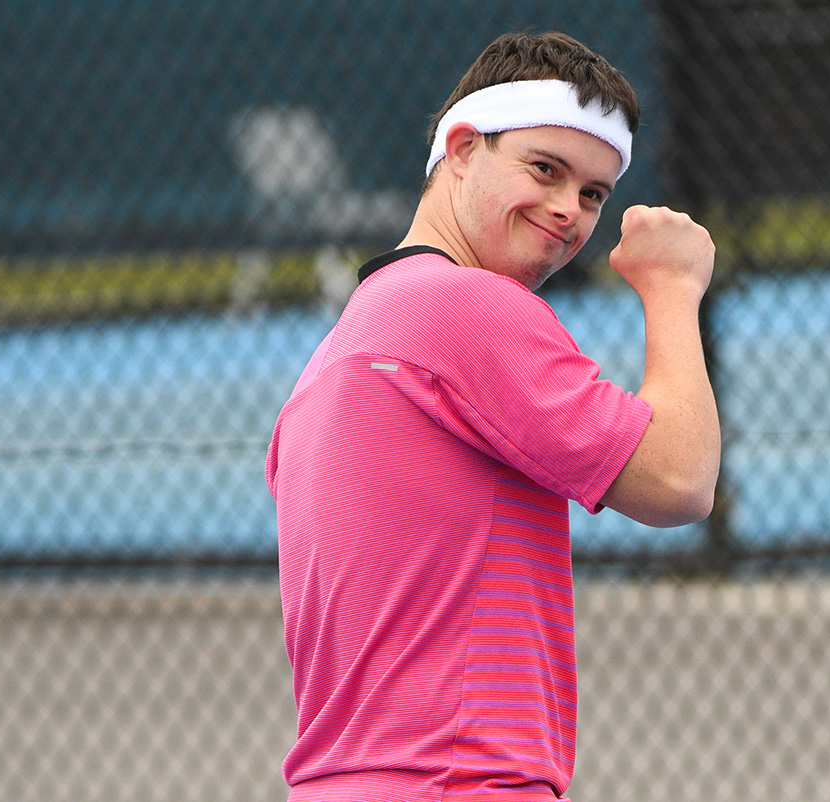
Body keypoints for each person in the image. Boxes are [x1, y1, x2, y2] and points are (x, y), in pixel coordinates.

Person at [265, 31, 719, 802]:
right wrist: (673, 289)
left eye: (593, 193)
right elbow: (679, 479)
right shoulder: (463, 306)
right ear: (463, 149)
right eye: (545, 169)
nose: (568, 210)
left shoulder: (335, 356)